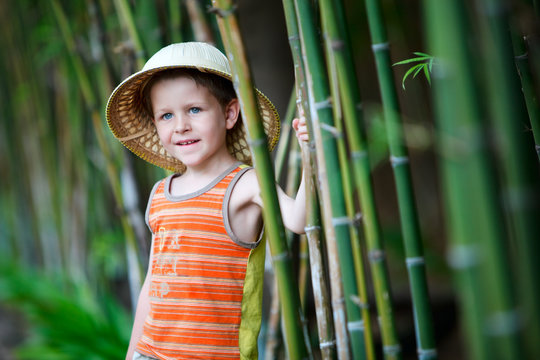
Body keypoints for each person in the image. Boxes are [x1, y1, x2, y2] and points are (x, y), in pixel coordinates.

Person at [106, 42, 309, 360]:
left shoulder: (245, 183)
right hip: (153, 353)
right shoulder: (161, 194)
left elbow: (299, 220)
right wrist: (132, 353)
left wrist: (313, 157)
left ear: (229, 113)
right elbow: (153, 283)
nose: (181, 125)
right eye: (166, 115)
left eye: (195, 110)